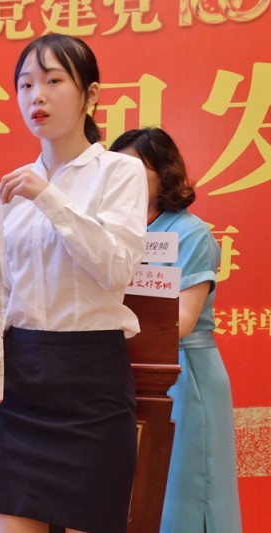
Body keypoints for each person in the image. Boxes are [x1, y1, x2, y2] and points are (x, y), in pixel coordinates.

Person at [0, 34, 148, 533]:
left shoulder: (120, 171)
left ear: (91, 94)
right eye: (26, 85)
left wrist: (49, 197)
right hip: (19, 382)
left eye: (53, 81)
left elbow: (116, 268)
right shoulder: (13, 187)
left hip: (91, 381)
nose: (37, 97)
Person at [110, 127, 242, 533]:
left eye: (135, 170)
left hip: (184, 374)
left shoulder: (190, 232)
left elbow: (182, 321)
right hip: (131, 372)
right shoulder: (115, 234)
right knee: (140, 496)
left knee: (186, 493)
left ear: (164, 173)